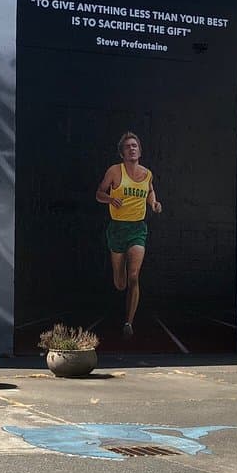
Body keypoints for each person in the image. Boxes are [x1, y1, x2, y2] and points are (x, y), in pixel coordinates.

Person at [96, 131, 162, 337]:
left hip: (137, 229)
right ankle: (119, 275)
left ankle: (128, 322)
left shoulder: (147, 173)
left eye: (135, 145)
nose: (132, 148)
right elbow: (99, 193)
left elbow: (150, 190)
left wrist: (154, 203)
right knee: (120, 283)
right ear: (122, 153)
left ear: (140, 150)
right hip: (117, 228)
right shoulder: (115, 172)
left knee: (134, 276)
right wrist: (110, 199)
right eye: (127, 146)